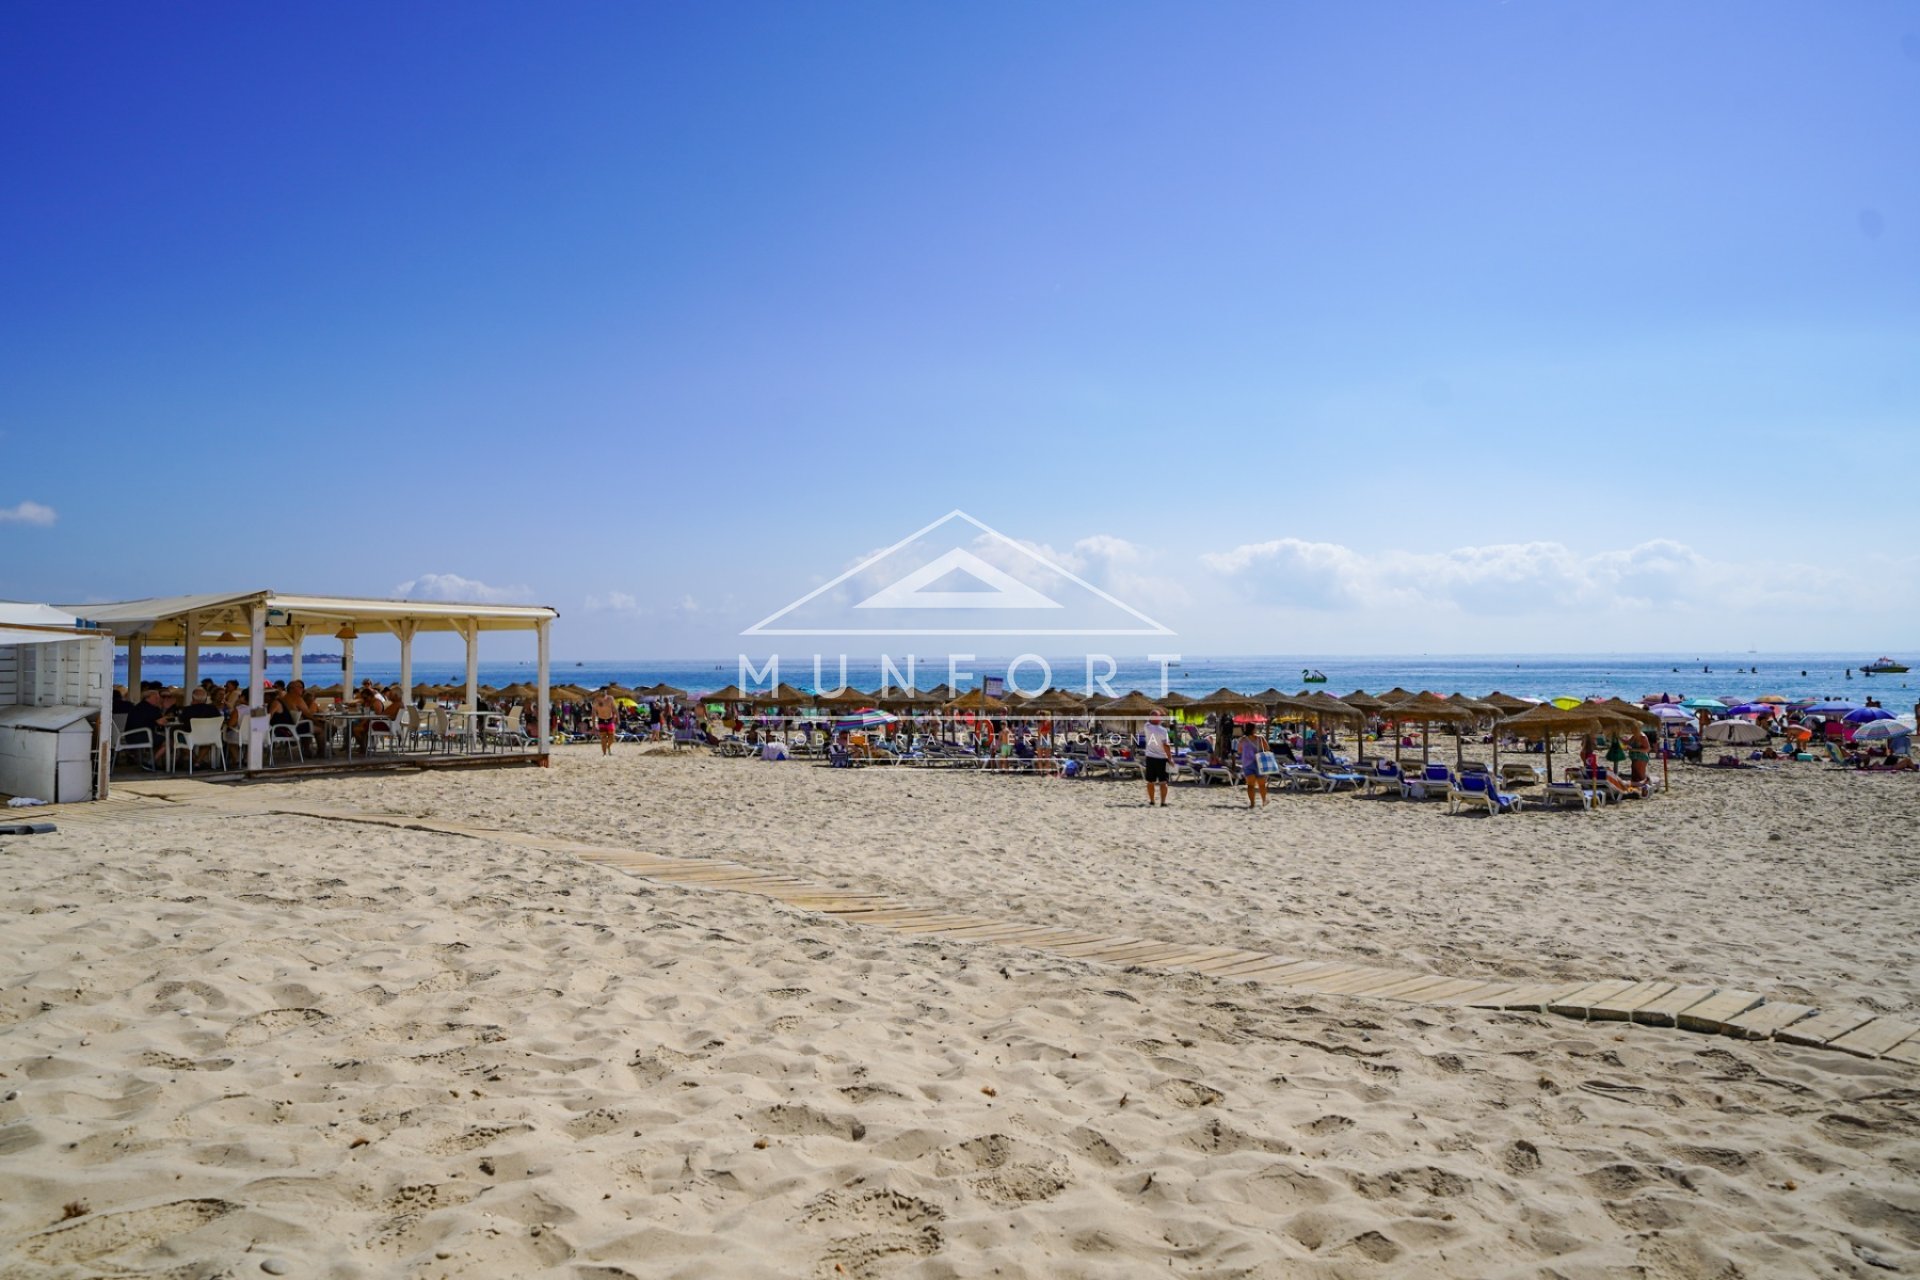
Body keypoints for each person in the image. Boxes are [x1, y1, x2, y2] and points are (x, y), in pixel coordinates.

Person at [1141, 711, 1171, 806]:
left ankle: (1152, 800)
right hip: (1162, 758)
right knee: (1163, 782)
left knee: (1150, 781)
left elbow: (1149, 720)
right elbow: (1166, 745)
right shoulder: (1163, 730)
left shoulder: (1147, 727)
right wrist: (1170, 758)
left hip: (1150, 757)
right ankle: (1163, 802)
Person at [1238, 722, 1268, 809]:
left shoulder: (1242, 739)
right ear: (1254, 729)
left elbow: (1239, 750)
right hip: (1258, 763)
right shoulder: (1260, 738)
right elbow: (1267, 748)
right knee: (1261, 784)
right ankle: (1264, 801)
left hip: (1247, 763)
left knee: (1250, 785)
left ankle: (1252, 803)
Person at [591, 690, 618, 756]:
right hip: (601, 720)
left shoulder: (610, 698)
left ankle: (608, 746)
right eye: (602, 691)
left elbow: (615, 709)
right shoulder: (596, 701)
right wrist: (593, 726)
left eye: (604, 691)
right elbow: (593, 714)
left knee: (612, 738)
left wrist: (617, 718)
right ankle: (604, 753)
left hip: (610, 720)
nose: (603, 693)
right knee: (603, 738)